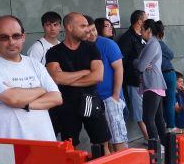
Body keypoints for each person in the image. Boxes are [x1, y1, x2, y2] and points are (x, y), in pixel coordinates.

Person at [0, 15, 62, 142]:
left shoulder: (34, 63)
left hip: (44, 142)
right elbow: (12, 98)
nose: (11, 42)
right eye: (4, 37)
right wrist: (41, 90)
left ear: (23, 36)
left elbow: (56, 98)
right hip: (8, 149)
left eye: (16, 36)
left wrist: (24, 104)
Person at [45, 12, 110, 150]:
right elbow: (56, 78)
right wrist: (84, 72)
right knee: (71, 147)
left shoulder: (92, 48)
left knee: (103, 144)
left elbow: (98, 76)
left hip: (91, 101)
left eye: (87, 25)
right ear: (69, 27)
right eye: (82, 26)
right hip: (66, 106)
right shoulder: (54, 52)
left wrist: (67, 80)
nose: (87, 29)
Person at [91, 18, 129, 152]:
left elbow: (119, 68)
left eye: (92, 29)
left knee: (118, 138)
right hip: (94, 99)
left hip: (110, 97)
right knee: (104, 140)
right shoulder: (84, 45)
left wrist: (115, 95)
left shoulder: (108, 44)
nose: (90, 33)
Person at [134, 19, 168, 150]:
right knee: (158, 118)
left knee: (148, 118)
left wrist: (138, 62)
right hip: (154, 84)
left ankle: (156, 147)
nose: (140, 32)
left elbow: (141, 66)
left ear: (149, 30)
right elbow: (139, 63)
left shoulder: (152, 44)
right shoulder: (151, 43)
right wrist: (138, 62)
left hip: (152, 84)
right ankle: (164, 145)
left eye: (142, 29)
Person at [118, 10, 150, 142]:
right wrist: (139, 64)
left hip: (147, 79)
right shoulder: (127, 38)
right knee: (139, 110)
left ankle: (153, 135)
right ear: (139, 21)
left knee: (149, 109)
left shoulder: (143, 37)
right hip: (135, 80)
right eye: (146, 19)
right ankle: (149, 138)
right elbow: (122, 61)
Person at [156, 21, 179, 133]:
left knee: (159, 103)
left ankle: (164, 124)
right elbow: (171, 55)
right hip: (168, 73)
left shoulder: (147, 44)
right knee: (170, 101)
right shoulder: (159, 43)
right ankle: (171, 126)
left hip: (157, 75)